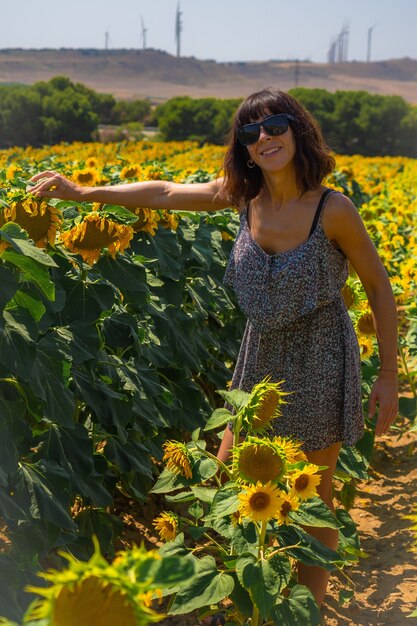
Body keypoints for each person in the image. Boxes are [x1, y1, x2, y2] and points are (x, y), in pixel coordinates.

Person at [29, 87, 399, 608]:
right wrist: (84, 195)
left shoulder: (332, 210)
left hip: (321, 356)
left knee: (312, 497)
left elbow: (379, 287)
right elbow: (165, 193)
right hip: (258, 357)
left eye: (274, 127)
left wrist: (388, 374)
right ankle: (252, 599)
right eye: (251, 133)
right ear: (244, 148)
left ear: (297, 130)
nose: (264, 139)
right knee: (230, 483)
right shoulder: (244, 197)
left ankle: (305, 611)